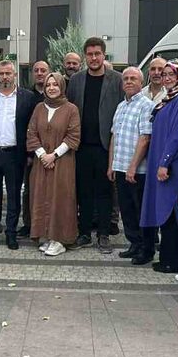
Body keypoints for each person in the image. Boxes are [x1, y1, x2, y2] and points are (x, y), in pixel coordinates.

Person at [66, 37, 124, 252]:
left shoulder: (117, 80)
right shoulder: (77, 80)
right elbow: (70, 109)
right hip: (81, 146)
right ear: (85, 57)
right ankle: (83, 233)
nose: (93, 58)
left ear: (103, 55)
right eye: (89, 54)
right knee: (83, 191)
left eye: (97, 54)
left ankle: (103, 234)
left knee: (105, 191)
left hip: (105, 146)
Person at [140, 60, 178, 280]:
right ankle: (167, 258)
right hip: (162, 163)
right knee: (165, 212)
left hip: (173, 166)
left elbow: (177, 136)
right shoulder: (168, 99)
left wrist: (164, 162)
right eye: (164, 74)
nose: (166, 78)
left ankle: (175, 261)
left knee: (172, 212)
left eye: (171, 74)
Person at [0, 60, 33, 250]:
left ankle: (11, 233)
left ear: (15, 74)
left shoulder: (27, 97)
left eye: (8, 73)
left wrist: (29, 153)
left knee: (13, 196)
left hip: (15, 154)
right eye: (1, 74)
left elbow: (31, 128)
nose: (5, 77)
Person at [26, 72, 81, 256]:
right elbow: (31, 133)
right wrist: (42, 155)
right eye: (48, 85)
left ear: (62, 87)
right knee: (41, 196)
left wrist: (54, 155)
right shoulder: (39, 108)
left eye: (55, 84)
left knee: (61, 198)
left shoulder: (71, 109)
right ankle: (46, 236)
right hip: (41, 162)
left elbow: (73, 136)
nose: (51, 88)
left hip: (62, 163)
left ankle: (60, 239)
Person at [107, 67, 156, 265]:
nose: (128, 81)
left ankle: (147, 249)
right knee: (126, 210)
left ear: (141, 82)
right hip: (120, 167)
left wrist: (133, 167)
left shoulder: (147, 105)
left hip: (138, 171)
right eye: (125, 78)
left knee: (140, 211)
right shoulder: (120, 106)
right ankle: (134, 244)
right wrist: (111, 165)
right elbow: (114, 137)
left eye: (133, 78)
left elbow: (145, 138)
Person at [19, 60, 49, 239]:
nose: (39, 73)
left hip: (54, 153)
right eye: (36, 70)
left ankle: (47, 224)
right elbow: (25, 126)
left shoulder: (55, 94)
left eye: (43, 70)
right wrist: (30, 153)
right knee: (29, 190)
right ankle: (28, 224)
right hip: (32, 153)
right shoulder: (26, 95)